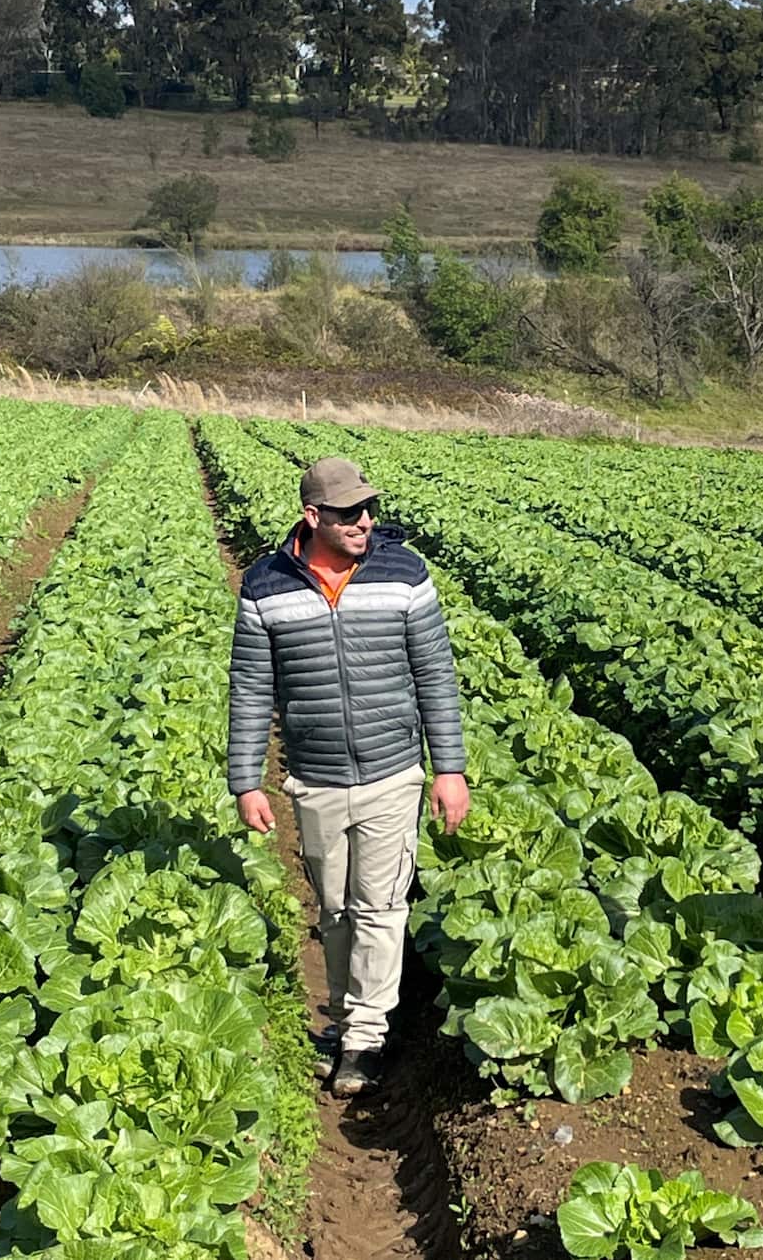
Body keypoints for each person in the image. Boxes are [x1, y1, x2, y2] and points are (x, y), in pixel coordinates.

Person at [228, 455, 470, 1097]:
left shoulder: (404, 574)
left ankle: (365, 1037)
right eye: (349, 513)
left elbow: (436, 675)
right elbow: (251, 687)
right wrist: (246, 779)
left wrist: (449, 768)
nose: (365, 521)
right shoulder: (265, 585)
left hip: (394, 770)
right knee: (335, 909)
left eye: (369, 510)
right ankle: (342, 1017)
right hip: (315, 775)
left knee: (382, 908)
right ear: (314, 517)